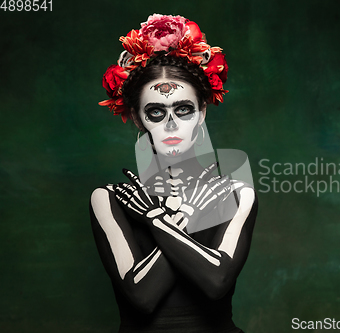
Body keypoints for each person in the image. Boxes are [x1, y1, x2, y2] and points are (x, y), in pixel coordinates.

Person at [90, 14, 258, 333]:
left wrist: (156, 220)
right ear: (138, 119)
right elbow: (142, 296)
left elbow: (216, 281)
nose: (170, 125)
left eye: (183, 110)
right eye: (156, 111)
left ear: (201, 112)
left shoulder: (238, 194)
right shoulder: (109, 199)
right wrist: (188, 216)